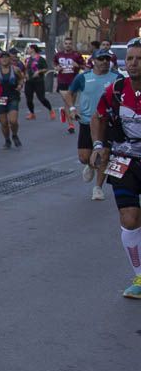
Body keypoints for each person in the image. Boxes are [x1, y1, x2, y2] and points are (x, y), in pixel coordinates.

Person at [91, 40, 141, 298]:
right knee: (129, 219)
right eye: (130, 58)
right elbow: (98, 116)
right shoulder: (116, 90)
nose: (133, 63)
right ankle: (140, 276)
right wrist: (99, 145)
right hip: (124, 161)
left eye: (139, 59)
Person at [70, 49, 116, 201]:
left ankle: (98, 188)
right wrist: (72, 109)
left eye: (107, 59)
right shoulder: (83, 77)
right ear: (94, 61)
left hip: (107, 122)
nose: (105, 61)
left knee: (104, 154)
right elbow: (70, 92)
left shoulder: (117, 77)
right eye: (101, 59)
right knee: (84, 157)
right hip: (86, 121)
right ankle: (89, 165)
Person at [0, 50, 25, 149]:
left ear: (10, 59)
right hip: (0, 99)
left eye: (6, 57)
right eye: (2, 57)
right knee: (3, 123)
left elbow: (21, 79)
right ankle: (7, 140)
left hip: (13, 97)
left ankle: (15, 135)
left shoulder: (15, 69)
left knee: (13, 121)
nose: (4, 59)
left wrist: (20, 85)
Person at [54, 37, 85, 134]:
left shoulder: (77, 55)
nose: (68, 45)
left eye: (69, 43)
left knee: (70, 103)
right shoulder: (58, 55)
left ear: (72, 45)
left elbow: (84, 66)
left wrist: (78, 66)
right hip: (62, 81)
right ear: (63, 44)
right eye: (66, 43)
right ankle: (71, 125)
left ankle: (65, 111)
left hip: (73, 81)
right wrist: (57, 67)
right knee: (68, 102)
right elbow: (54, 64)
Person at [23, 43, 55, 120]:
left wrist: (39, 71)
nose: (28, 50)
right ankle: (32, 113)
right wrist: (25, 74)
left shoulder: (40, 59)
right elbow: (26, 68)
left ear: (33, 49)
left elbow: (46, 68)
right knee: (29, 99)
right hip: (29, 81)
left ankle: (51, 110)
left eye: (29, 48)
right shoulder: (28, 59)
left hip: (38, 81)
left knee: (42, 98)